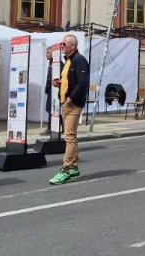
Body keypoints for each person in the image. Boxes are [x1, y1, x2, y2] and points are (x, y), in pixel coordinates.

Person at [48, 34, 90, 185]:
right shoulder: (69, 60)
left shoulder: (79, 60)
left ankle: (65, 169)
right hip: (66, 103)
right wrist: (60, 83)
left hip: (73, 104)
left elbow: (83, 83)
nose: (62, 47)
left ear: (72, 46)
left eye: (64, 44)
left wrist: (70, 98)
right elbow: (72, 81)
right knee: (71, 136)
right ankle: (73, 167)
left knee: (69, 137)